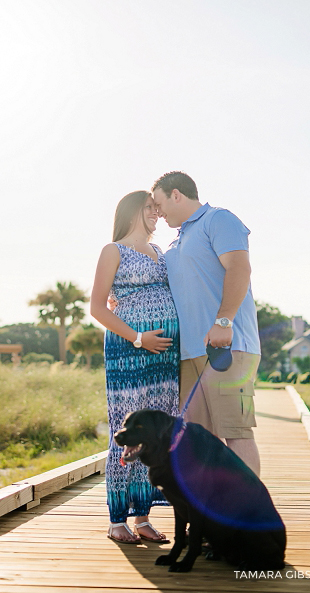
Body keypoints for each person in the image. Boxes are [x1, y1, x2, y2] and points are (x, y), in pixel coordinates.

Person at [151, 171, 261, 476]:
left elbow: (239, 267)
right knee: (199, 440)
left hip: (226, 347)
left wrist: (223, 321)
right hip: (189, 355)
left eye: (160, 204)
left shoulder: (218, 219)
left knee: (235, 431)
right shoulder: (176, 243)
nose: (158, 213)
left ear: (176, 194)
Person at [91, 190, 180, 544]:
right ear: (131, 212)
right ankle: (117, 520)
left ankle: (143, 517)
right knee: (126, 429)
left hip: (164, 358)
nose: (157, 213)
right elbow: (98, 308)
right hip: (130, 350)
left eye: (158, 209)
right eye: (150, 208)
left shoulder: (161, 252)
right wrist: (139, 337)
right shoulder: (113, 250)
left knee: (157, 435)